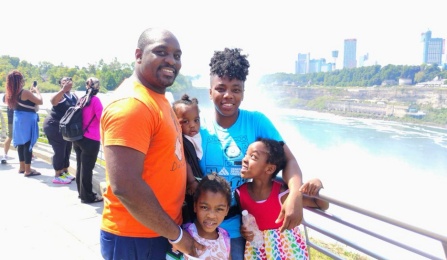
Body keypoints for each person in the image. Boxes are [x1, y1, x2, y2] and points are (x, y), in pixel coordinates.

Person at [99, 27, 204, 259]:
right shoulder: (132, 105)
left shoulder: (159, 99)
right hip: (135, 237)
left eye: (177, 55)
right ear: (138, 55)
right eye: (161, 52)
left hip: (158, 231)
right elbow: (126, 186)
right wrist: (177, 236)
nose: (171, 60)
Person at [199, 47, 305, 259]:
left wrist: (295, 194)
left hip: (242, 231)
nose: (228, 95)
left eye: (236, 89)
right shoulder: (197, 127)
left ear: (243, 94)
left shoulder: (256, 122)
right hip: (205, 228)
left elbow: (288, 160)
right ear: (210, 92)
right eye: (221, 88)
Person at [235, 137, 329, 259]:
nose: (244, 159)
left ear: (269, 168)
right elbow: (246, 221)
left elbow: (322, 204)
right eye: (246, 154)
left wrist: (317, 184)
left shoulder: (283, 194)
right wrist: (244, 231)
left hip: (286, 250)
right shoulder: (240, 193)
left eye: (253, 157)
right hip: (257, 251)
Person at [182, 173, 231, 260]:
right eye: (204, 207)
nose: (211, 215)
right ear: (195, 206)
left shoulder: (224, 237)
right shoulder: (184, 235)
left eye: (219, 209)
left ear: (227, 210)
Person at [172, 94, 203, 224]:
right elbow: (185, 162)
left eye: (196, 120)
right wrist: (191, 181)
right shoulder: (180, 140)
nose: (192, 125)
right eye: (185, 121)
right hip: (190, 185)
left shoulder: (196, 137)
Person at [4, 70, 43, 176]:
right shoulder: (24, 92)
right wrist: (36, 91)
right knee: (28, 144)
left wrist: (31, 93)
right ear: (19, 81)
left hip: (18, 119)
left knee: (21, 143)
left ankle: (22, 167)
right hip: (27, 119)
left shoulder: (10, 93)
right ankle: (28, 170)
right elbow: (40, 101)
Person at [72, 77, 103, 203]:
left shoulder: (81, 99)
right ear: (97, 88)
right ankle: (88, 196)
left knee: (81, 166)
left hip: (79, 138)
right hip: (91, 139)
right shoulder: (95, 100)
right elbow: (103, 118)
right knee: (87, 169)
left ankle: (82, 193)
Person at [43, 76, 77, 184]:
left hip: (65, 127)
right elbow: (53, 101)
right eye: (64, 81)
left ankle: (64, 171)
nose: (67, 82)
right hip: (54, 125)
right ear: (61, 84)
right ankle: (57, 175)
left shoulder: (73, 96)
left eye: (69, 80)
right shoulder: (61, 95)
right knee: (60, 150)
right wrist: (63, 90)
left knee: (67, 148)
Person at [2, 95, 13, 163]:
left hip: (12, 119)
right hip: (13, 119)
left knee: (10, 137)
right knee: (10, 137)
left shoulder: (9, 93)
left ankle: (5, 155)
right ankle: (5, 155)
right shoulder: (9, 94)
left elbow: (4, 101)